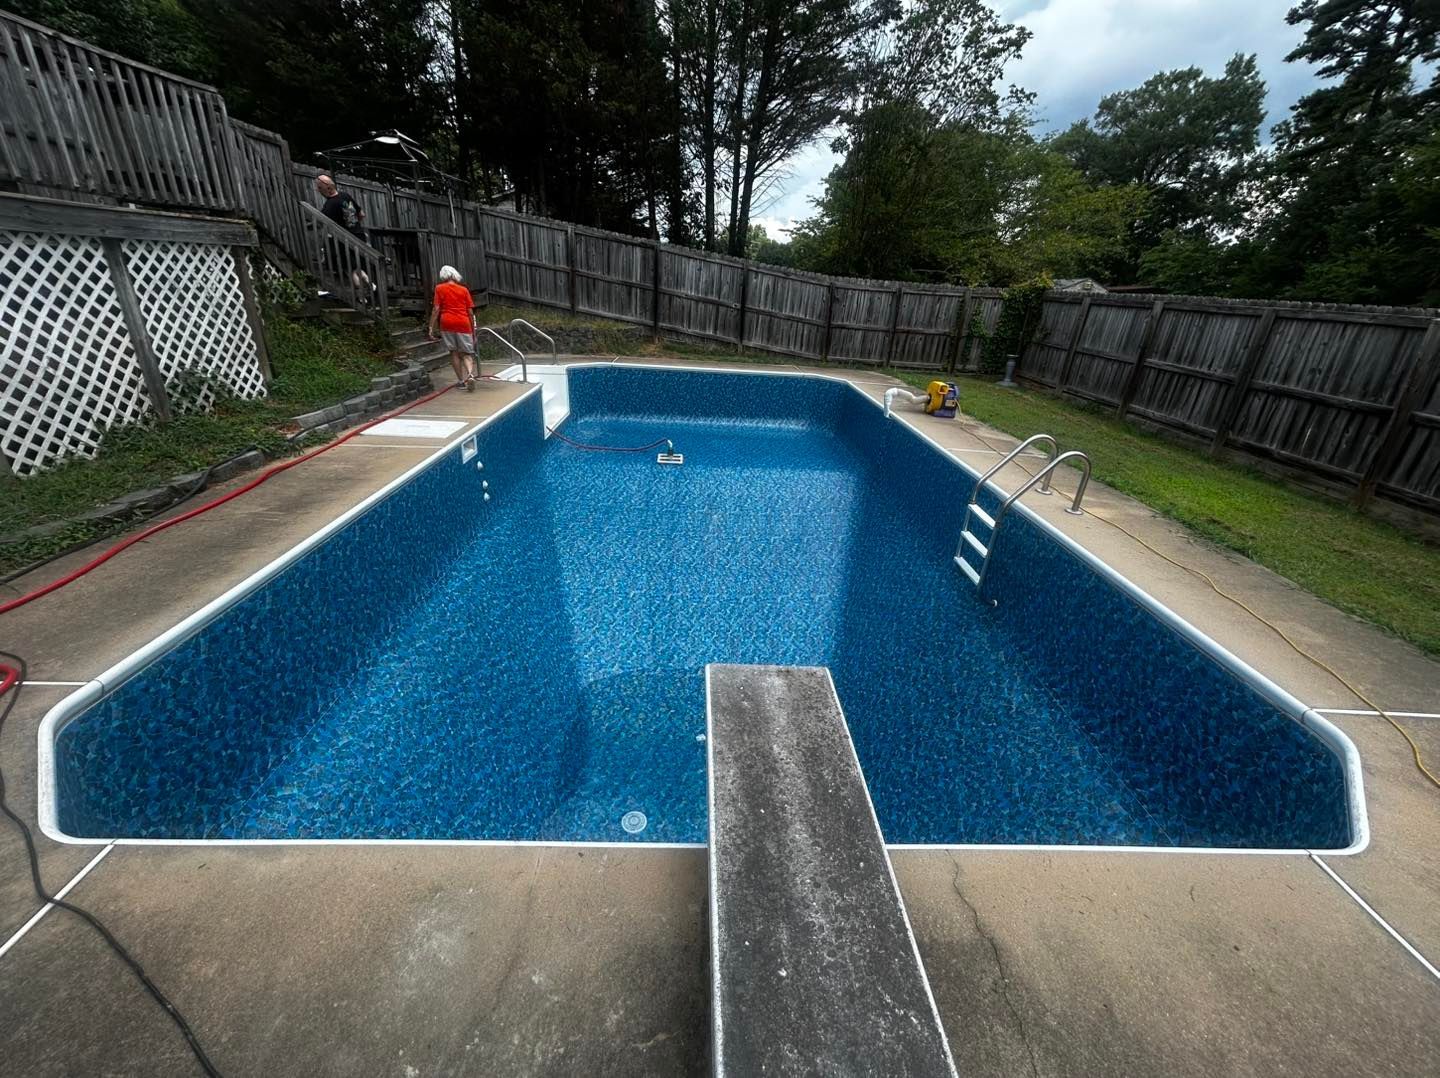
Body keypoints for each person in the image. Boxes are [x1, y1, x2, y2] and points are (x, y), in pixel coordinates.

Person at [314, 174, 373, 303]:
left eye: (319, 188)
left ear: (328, 188)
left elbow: (322, 222)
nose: (318, 190)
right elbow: (361, 214)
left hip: (344, 240)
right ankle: (369, 285)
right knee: (357, 267)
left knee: (350, 269)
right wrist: (353, 225)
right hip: (359, 236)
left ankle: (363, 295)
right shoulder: (345, 196)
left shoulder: (330, 205)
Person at [428, 265, 479, 391]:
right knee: (467, 354)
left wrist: (431, 326)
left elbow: (436, 309)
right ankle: (470, 375)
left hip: (447, 323)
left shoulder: (439, 288)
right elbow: (470, 312)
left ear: (443, 275)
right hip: (463, 323)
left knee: (454, 352)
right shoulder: (463, 290)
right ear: (455, 275)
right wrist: (473, 328)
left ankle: (461, 381)